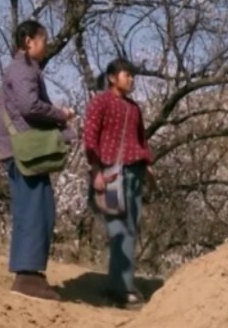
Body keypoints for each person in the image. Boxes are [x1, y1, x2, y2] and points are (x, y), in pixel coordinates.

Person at [0, 20, 75, 301]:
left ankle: (30, 273)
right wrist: (60, 115)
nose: (47, 44)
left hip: (23, 151)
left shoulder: (25, 69)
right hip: (23, 152)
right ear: (29, 41)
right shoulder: (22, 69)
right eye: (43, 39)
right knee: (35, 211)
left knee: (38, 208)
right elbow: (29, 106)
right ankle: (27, 276)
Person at [83, 58, 156, 309]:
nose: (131, 79)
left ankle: (123, 284)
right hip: (110, 173)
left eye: (133, 76)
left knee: (132, 228)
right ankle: (120, 288)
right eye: (127, 75)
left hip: (133, 173)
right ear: (113, 77)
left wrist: (147, 166)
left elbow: (141, 140)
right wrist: (96, 173)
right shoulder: (99, 102)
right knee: (118, 229)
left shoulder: (135, 108)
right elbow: (90, 139)